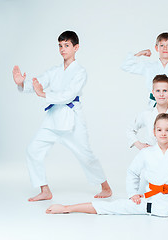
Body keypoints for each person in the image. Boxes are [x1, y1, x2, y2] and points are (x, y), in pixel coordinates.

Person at [12, 30, 112, 201]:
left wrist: (44, 94)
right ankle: (45, 190)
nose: (62, 49)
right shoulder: (55, 71)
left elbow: (68, 94)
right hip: (53, 118)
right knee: (33, 150)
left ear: (76, 47)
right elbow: (38, 82)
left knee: (85, 155)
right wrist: (22, 83)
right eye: (60, 46)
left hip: (72, 119)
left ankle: (106, 187)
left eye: (66, 45)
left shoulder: (80, 71)